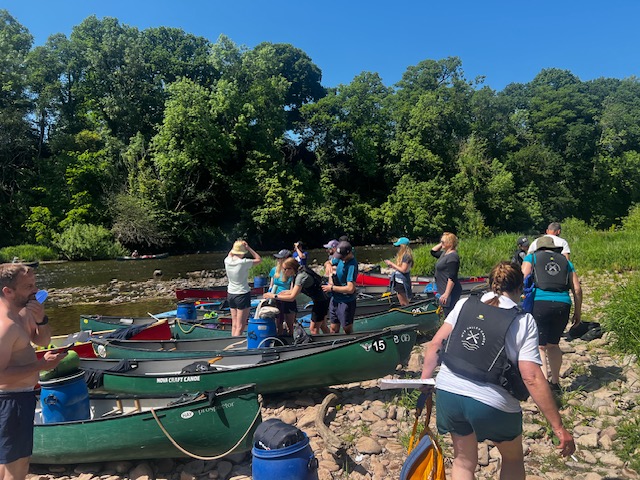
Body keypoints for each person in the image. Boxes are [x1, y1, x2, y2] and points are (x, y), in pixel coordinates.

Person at [420, 262, 575, 479]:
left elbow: (435, 344)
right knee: (512, 458)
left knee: (463, 462)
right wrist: (558, 427)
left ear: (489, 283)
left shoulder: (464, 304)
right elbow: (531, 376)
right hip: (491, 401)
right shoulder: (523, 321)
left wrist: (425, 383)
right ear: (521, 289)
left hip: (449, 392)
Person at [0, 263, 66, 480]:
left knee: (10, 461)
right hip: (9, 401)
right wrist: (41, 366)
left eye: (35, 284)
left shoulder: (23, 313)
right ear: (8, 291)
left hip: (21, 397)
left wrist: (41, 319)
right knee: (16, 465)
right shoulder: (5, 326)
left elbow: (43, 340)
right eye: (28, 286)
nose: (35, 291)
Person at [522, 236, 582, 391]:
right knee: (553, 345)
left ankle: (544, 385)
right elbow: (577, 289)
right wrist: (578, 312)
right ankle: (555, 382)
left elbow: (523, 278)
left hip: (540, 303)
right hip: (563, 304)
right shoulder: (567, 262)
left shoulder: (531, 257)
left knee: (540, 346)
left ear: (538, 248)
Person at [264, 258, 331, 334]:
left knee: (313, 329)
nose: (283, 271)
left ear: (291, 268)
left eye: (285, 269)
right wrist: (283, 293)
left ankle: (323, 345)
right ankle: (332, 341)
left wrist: (274, 296)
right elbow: (294, 291)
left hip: (321, 301)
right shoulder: (300, 270)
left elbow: (292, 297)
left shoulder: (301, 277)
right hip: (324, 298)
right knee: (323, 326)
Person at [224, 240, 262, 336]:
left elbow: (230, 254)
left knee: (234, 324)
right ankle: (235, 346)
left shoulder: (227, 260)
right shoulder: (243, 262)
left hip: (231, 293)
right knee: (240, 325)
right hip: (242, 294)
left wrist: (237, 246)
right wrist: (248, 248)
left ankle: (231, 343)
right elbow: (259, 259)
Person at [322, 241, 358, 333]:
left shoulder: (352, 265)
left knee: (347, 328)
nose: (340, 259)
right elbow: (328, 262)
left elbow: (350, 289)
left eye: (342, 257)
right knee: (333, 328)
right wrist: (328, 265)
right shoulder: (341, 258)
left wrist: (332, 288)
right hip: (335, 299)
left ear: (349, 253)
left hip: (346, 301)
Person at [431, 232, 463, 317]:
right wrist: (442, 243)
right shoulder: (444, 254)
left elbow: (452, 276)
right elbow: (433, 251)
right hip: (443, 290)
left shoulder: (452, 257)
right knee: (446, 315)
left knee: (450, 316)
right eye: (441, 241)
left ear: (450, 243)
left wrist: (446, 294)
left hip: (450, 292)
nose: (441, 244)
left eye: (443, 242)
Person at [268, 249, 296, 335]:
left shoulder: (291, 272)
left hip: (287, 299)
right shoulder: (274, 270)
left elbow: (292, 290)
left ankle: (291, 339)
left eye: (280, 258)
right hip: (277, 300)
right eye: (278, 258)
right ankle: (279, 340)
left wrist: (283, 294)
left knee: (290, 324)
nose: (278, 260)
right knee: (278, 323)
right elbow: (271, 285)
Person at [384, 237, 414, 306]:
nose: (397, 248)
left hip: (402, 282)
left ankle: (407, 314)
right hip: (398, 281)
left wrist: (391, 264)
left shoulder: (407, 256)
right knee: (402, 301)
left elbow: (403, 270)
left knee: (404, 303)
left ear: (402, 246)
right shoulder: (404, 256)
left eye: (398, 246)